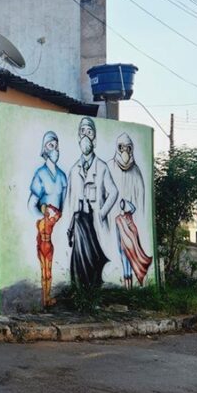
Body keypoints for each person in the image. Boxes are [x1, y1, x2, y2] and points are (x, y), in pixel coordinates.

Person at [64, 117, 118, 287]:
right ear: (78, 138)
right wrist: (70, 225)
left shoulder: (101, 167)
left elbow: (114, 192)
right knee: (79, 260)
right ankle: (81, 291)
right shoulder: (74, 170)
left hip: (95, 222)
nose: (85, 136)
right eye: (82, 132)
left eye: (89, 132)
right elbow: (69, 199)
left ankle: (93, 289)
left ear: (94, 139)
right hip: (79, 224)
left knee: (95, 258)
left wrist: (102, 213)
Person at [28, 131, 66, 307]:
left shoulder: (62, 176)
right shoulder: (40, 175)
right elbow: (32, 204)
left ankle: (48, 296)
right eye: (51, 145)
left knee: (50, 263)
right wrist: (43, 213)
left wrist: (58, 216)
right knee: (45, 263)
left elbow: (65, 204)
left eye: (56, 145)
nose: (55, 149)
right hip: (44, 227)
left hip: (57, 223)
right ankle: (45, 297)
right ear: (44, 148)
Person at [115, 199, 153, 288]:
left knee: (128, 268)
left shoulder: (127, 215)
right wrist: (119, 247)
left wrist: (128, 202)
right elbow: (118, 234)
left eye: (122, 204)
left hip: (129, 247)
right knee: (126, 268)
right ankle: (128, 288)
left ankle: (129, 288)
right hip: (124, 247)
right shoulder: (120, 218)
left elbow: (133, 208)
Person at [109, 133, 145, 217]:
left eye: (128, 148)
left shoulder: (136, 171)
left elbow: (141, 198)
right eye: (121, 147)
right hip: (112, 215)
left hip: (131, 217)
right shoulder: (109, 166)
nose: (125, 151)